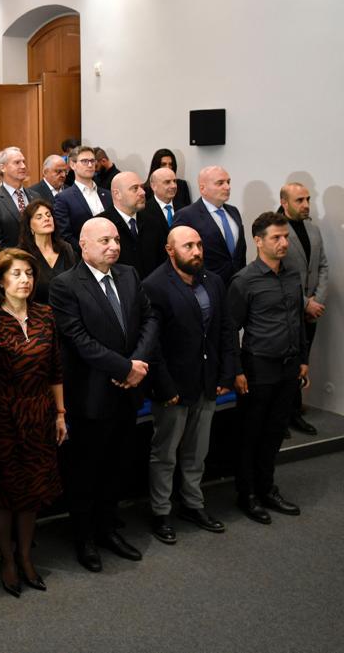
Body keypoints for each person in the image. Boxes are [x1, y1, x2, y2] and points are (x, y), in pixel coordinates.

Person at [48, 217, 158, 572]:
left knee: (117, 466)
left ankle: (108, 529)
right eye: (105, 241)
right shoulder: (65, 285)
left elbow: (149, 319)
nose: (114, 246)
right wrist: (124, 368)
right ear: (83, 245)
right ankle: (84, 539)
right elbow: (78, 339)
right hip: (90, 396)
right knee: (85, 471)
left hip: (128, 392)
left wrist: (137, 363)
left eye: (116, 240)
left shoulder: (129, 274)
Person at [0, 248, 65, 597]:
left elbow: (55, 370)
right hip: (3, 417)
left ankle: (26, 556)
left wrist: (60, 413)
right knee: (4, 491)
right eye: (16, 274)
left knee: (32, 489)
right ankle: (7, 559)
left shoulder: (46, 315)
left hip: (39, 413)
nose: (25, 280)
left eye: (29, 273)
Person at [142, 225, 237, 544]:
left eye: (199, 245)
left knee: (198, 451)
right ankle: (161, 512)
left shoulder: (213, 281)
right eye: (188, 246)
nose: (196, 251)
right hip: (173, 387)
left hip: (207, 381)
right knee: (165, 454)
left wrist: (226, 373)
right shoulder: (154, 285)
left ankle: (193, 505)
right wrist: (165, 387)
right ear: (170, 251)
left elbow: (225, 330)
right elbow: (153, 345)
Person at [229, 212, 308, 524]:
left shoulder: (292, 275)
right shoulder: (244, 280)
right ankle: (247, 494)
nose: (284, 242)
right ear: (258, 241)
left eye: (285, 236)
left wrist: (303, 360)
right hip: (258, 367)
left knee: (275, 433)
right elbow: (230, 330)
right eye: (276, 237)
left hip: (289, 367)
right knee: (251, 434)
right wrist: (236, 371)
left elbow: (298, 321)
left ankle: (267, 488)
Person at [278, 182, 328, 436]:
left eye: (307, 199)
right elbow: (277, 273)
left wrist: (316, 300)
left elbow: (323, 266)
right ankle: (281, 416)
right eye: (299, 200)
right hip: (286, 308)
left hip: (311, 310)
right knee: (284, 364)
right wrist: (306, 302)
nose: (306, 204)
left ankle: (294, 412)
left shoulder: (313, 229)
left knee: (302, 362)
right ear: (284, 202)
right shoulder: (276, 230)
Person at [171, 165, 246, 287]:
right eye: (220, 183)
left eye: (228, 182)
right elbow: (180, 256)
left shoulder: (234, 212)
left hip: (238, 285)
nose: (227, 187)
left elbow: (240, 252)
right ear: (203, 189)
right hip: (205, 286)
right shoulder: (186, 215)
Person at [95, 171, 167, 278]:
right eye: (135, 188)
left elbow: (163, 262)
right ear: (117, 194)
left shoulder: (153, 221)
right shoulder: (100, 225)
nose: (143, 192)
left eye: (141, 187)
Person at [16, 199, 76, 304]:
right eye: (39, 217)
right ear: (30, 226)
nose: (46, 219)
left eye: (48, 215)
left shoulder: (66, 248)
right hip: (38, 311)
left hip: (70, 307)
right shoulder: (22, 254)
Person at [53, 146, 112, 247]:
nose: (90, 165)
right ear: (73, 165)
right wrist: (87, 250)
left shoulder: (107, 195)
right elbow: (64, 235)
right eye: (84, 161)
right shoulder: (63, 198)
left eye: (92, 161)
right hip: (81, 252)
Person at [0, 146, 31, 248]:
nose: (23, 166)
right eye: (17, 162)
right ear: (3, 168)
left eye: (23, 162)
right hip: (11, 256)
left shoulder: (35, 196)